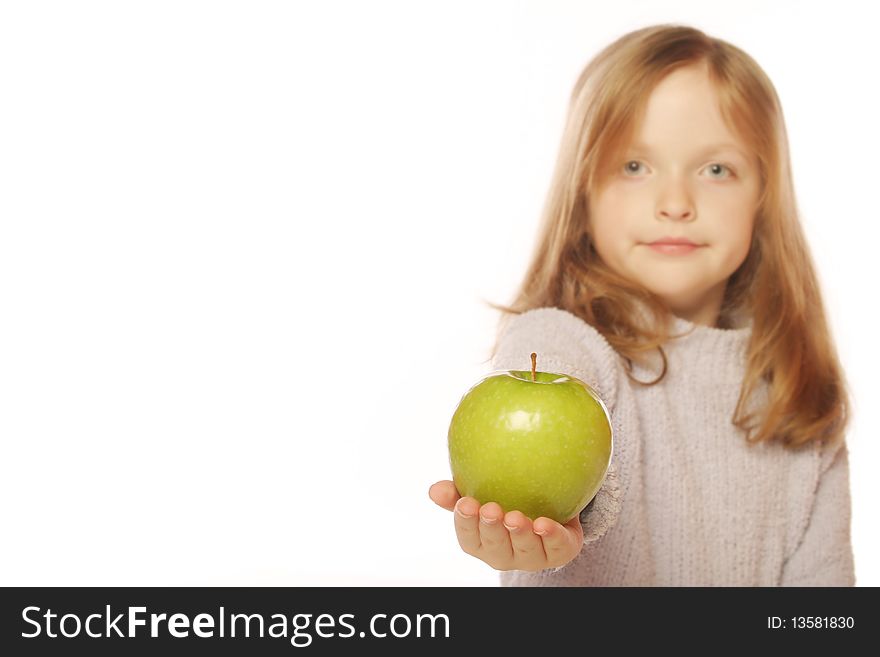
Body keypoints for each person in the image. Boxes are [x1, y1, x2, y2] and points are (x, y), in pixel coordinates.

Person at [428, 24, 855, 586]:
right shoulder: (564, 342)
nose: (675, 203)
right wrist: (547, 516)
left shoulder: (798, 401)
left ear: (762, 197)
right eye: (634, 166)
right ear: (584, 192)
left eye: (716, 169)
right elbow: (549, 376)